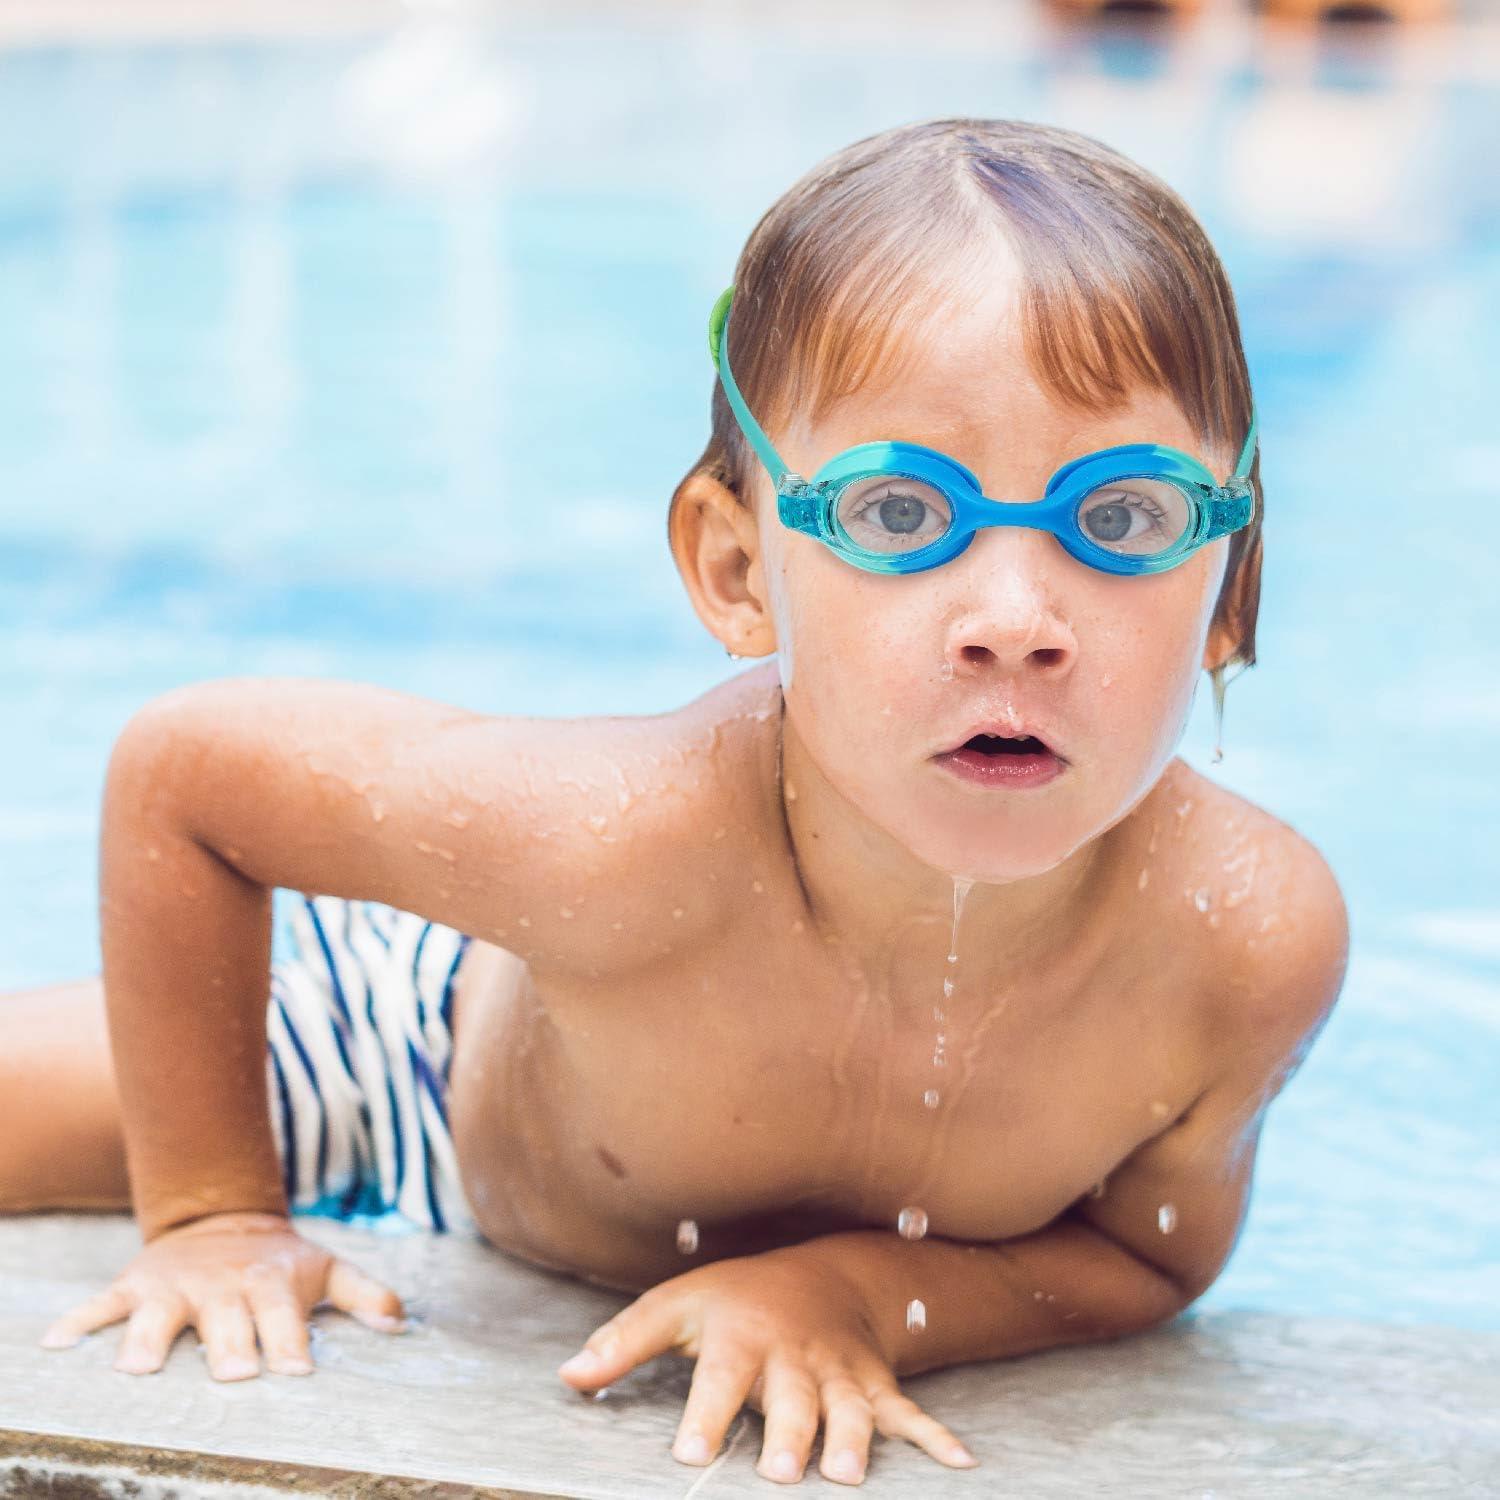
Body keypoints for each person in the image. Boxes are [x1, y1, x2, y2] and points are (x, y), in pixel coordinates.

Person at [2, 117, 1348, 1488]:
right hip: (396, 1065)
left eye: (1122, 519)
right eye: (899, 514)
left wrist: (855, 1293)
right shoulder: (613, 843)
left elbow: (1141, 1260)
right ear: (736, 571)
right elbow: (189, 772)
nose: (1015, 619)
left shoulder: (1242, 947)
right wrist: (213, 1215)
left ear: (1228, 592)